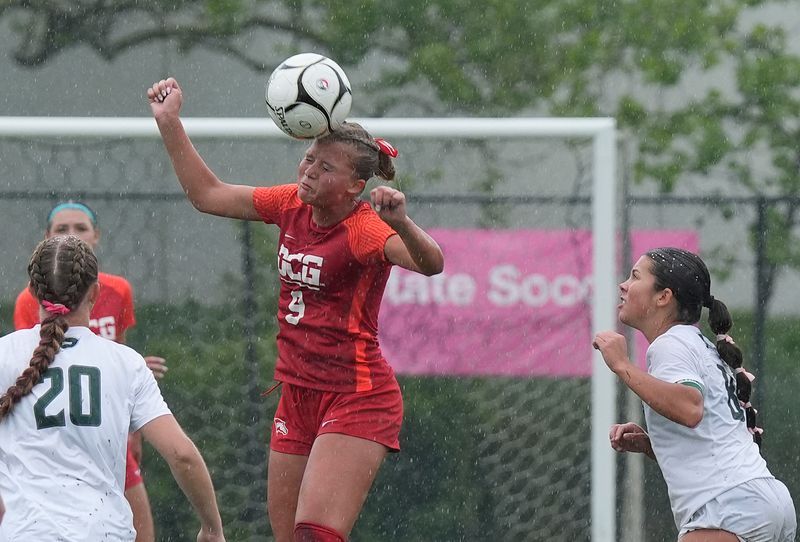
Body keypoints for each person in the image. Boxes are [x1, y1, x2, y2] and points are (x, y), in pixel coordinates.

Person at [147, 77, 444, 542]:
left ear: (354, 187)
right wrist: (169, 123)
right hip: (297, 394)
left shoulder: (364, 230)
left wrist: (402, 223)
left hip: (357, 395)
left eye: (325, 168)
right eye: (308, 157)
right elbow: (207, 196)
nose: (307, 170)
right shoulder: (290, 203)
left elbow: (431, 264)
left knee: (315, 536)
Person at [0, 235, 225, 541]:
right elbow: (182, 454)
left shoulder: (4, 355)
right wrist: (212, 529)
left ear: (31, 292)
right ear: (94, 293)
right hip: (103, 532)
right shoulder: (126, 364)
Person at [592, 247, 796, 542]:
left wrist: (622, 365)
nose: (623, 284)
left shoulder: (669, 344)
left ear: (664, 297)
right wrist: (654, 445)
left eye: (635, 276)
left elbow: (690, 408)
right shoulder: (699, 345)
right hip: (765, 499)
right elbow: (710, 432)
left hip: (728, 505)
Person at [13, 201, 166, 542]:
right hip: (52, 431)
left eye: (80, 228)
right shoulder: (27, 304)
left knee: (141, 528)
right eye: (61, 229)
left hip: (103, 429)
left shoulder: (118, 292)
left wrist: (133, 420)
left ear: (96, 235)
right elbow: (32, 366)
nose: (71, 235)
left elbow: (119, 351)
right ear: (46, 239)